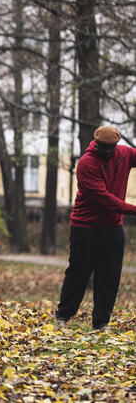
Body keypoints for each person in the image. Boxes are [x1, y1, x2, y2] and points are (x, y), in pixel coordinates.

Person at [55, 125, 136, 331]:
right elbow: (105, 200)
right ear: (96, 144)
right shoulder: (86, 163)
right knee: (78, 272)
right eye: (104, 148)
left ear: (116, 146)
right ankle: (62, 316)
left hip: (113, 227)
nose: (108, 152)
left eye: (112, 148)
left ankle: (101, 322)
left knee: (110, 275)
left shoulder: (124, 154)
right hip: (85, 227)